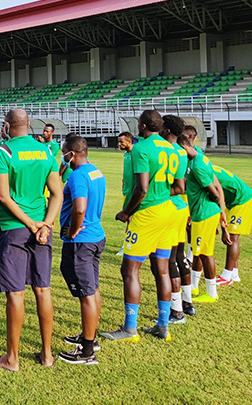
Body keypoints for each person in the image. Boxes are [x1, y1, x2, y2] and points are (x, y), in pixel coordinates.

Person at [0, 109, 62, 371]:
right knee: (43, 290)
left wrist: (30, 224)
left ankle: (12, 358)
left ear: (7, 126)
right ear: (29, 125)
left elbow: (4, 197)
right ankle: (47, 354)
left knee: (16, 294)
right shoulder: (47, 151)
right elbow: (57, 193)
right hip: (42, 230)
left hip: (14, 229)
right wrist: (47, 224)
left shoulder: (4, 151)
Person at [102, 110, 178, 343]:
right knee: (162, 269)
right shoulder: (172, 148)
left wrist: (126, 212)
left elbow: (142, 188)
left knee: (130, 270)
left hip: (147, 214)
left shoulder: (141, 148)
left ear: (142, 125)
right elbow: (177, 185)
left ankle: (130, 328)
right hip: (168, 211)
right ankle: (163, 325)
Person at [56, 136, 106, 365]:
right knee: (93, 289)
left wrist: (72, 230)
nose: (62, 158)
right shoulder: (97, 171)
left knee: (86, 294)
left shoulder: (77, 176)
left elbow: (80, 208)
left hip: (81, 242)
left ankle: (87, 351)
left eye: (64, 153)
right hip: (96, 236)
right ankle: (90, 336)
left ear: (72, 154)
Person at [178, 136, 228, 304]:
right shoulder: (198, 156)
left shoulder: (198, 165)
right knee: (198, 251)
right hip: (201, 213)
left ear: (184, 146)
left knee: (206, 254)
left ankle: (212, 293)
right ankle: (194, 286)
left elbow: (214, 191)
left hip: (205, 213)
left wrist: (217, 212)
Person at [160, 115, 192, 322]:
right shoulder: (183, 152)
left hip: (170, 207)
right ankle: (188, 303)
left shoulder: (167, 151)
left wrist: (158, 193)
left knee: (169, 259)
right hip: (183, 206)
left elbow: (177, 186)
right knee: (180, 256)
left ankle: (177, 310)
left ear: (167, 129)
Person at [212, 164, 252, 286]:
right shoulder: (205, 165)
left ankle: (227, 275)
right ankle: (234, 273)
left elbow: (217, 197)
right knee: (232, 236)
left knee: (232, 237)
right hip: (233, 201)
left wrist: (223, 228)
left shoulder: (201, 171)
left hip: (243, 200)